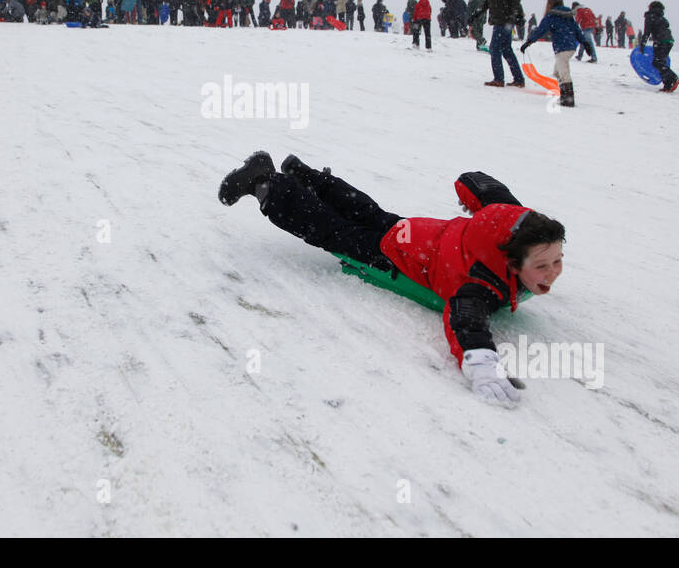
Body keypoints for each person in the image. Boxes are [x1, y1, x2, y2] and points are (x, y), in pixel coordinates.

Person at [217, 151, 565, 405]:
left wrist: (466, 194)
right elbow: (465, 316)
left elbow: (477, 184)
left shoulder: (514, 218)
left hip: (417, 231)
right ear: (513, 261)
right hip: (403, 255)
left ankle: (309, 178)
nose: (551, 273)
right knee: (330, 230)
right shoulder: (484, 282)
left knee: (372, 215)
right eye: (542, 266)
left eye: (557, 261)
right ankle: (266, 184)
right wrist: (481, 362)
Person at [470, 0, 525, 87]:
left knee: (495, 48)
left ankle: (499, 79)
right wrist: (476, 14)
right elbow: (488, 2)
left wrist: (516, 15)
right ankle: (518, 79)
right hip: (498, 20)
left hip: (506, 20)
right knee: (506, 49)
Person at [521, 0, 581, 106]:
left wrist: (529, 41)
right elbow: (576, 29)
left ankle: (568, 99)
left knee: (563, 72)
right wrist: (584, 42)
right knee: (557, 71)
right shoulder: (568, 14)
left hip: (562, 47)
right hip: (570, 45)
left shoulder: (551, 15)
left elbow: (541, 30)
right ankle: (563, 94)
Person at [638, 0, 679, 93]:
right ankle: (667, 85)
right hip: (669, 40)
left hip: (661, 41)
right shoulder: (661, 17)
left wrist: (642, 45)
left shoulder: (650, 16)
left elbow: (647, 32)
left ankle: (674, 78)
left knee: (657, 62)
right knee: (661, 62)